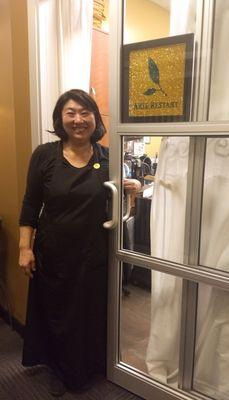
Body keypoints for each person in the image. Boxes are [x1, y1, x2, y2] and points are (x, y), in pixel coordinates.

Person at [18, 89, 140, 396]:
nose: (78, 120)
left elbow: (121, 198)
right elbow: (31, 205)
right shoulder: (45, 155)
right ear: (61, 118)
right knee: (59, 314)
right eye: (71, 113)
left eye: (85, 113)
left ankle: (91, 366)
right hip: (54, 252)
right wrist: (25, 248)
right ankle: (60, 370)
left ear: (95, 119)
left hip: (95, 252)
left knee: (89, 313)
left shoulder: (108, 157)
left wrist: (133, 186)